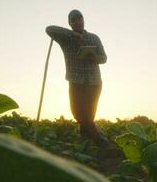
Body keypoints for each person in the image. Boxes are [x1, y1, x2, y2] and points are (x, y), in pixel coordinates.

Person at [45, 9, 109, 146]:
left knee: (88, 115)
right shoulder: (65, 39)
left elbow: (104, 58)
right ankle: (100, 139)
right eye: (74, 20)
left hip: (94, 81)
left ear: (84, 20)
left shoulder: (94, 37)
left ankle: (87, 142)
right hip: (76, 80)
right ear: (70, 23)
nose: (78, 22)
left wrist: (94, 58)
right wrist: (73, 35)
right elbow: (49, 29)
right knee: (78, 112)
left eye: (80, 19)